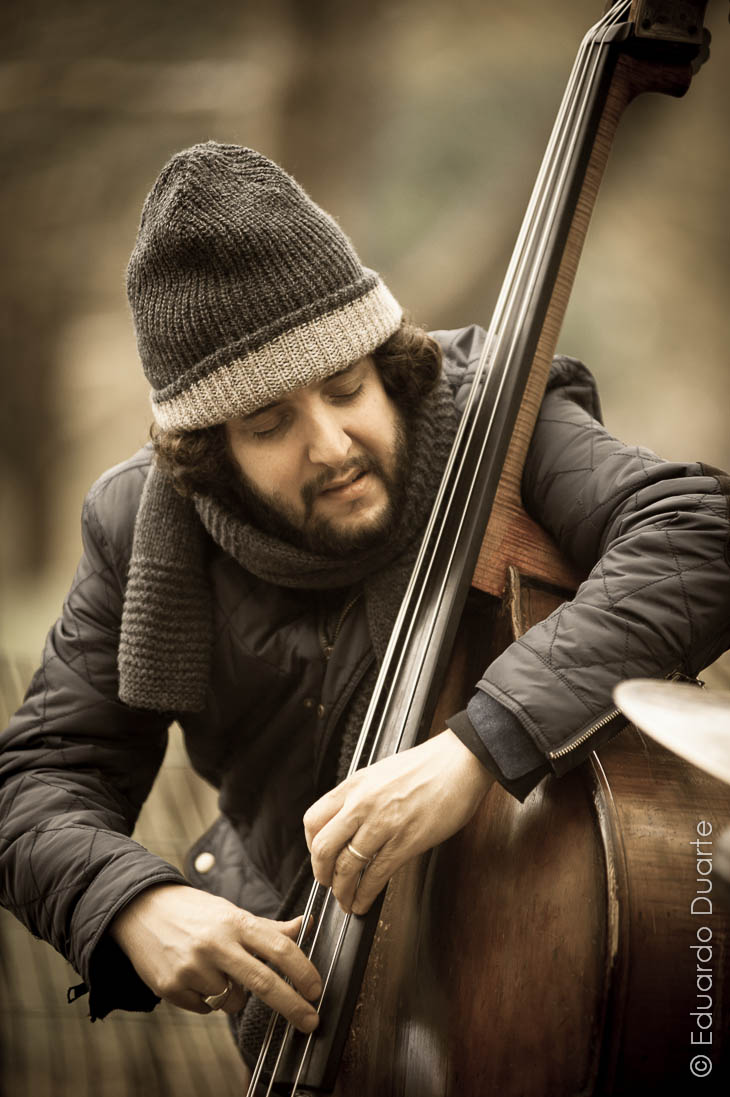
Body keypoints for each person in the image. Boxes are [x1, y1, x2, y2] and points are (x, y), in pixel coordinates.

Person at [1, 142, 729, 1073]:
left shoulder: (499, 418)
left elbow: (699, 532)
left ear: (386, 361)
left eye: (347, 385)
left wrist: (480, 744)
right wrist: (135, 903)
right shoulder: (137, 523)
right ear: (210, 452)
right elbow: (35, 782)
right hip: (315, 1010)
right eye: (269, 423)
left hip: (535, 957)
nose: (333, 442)